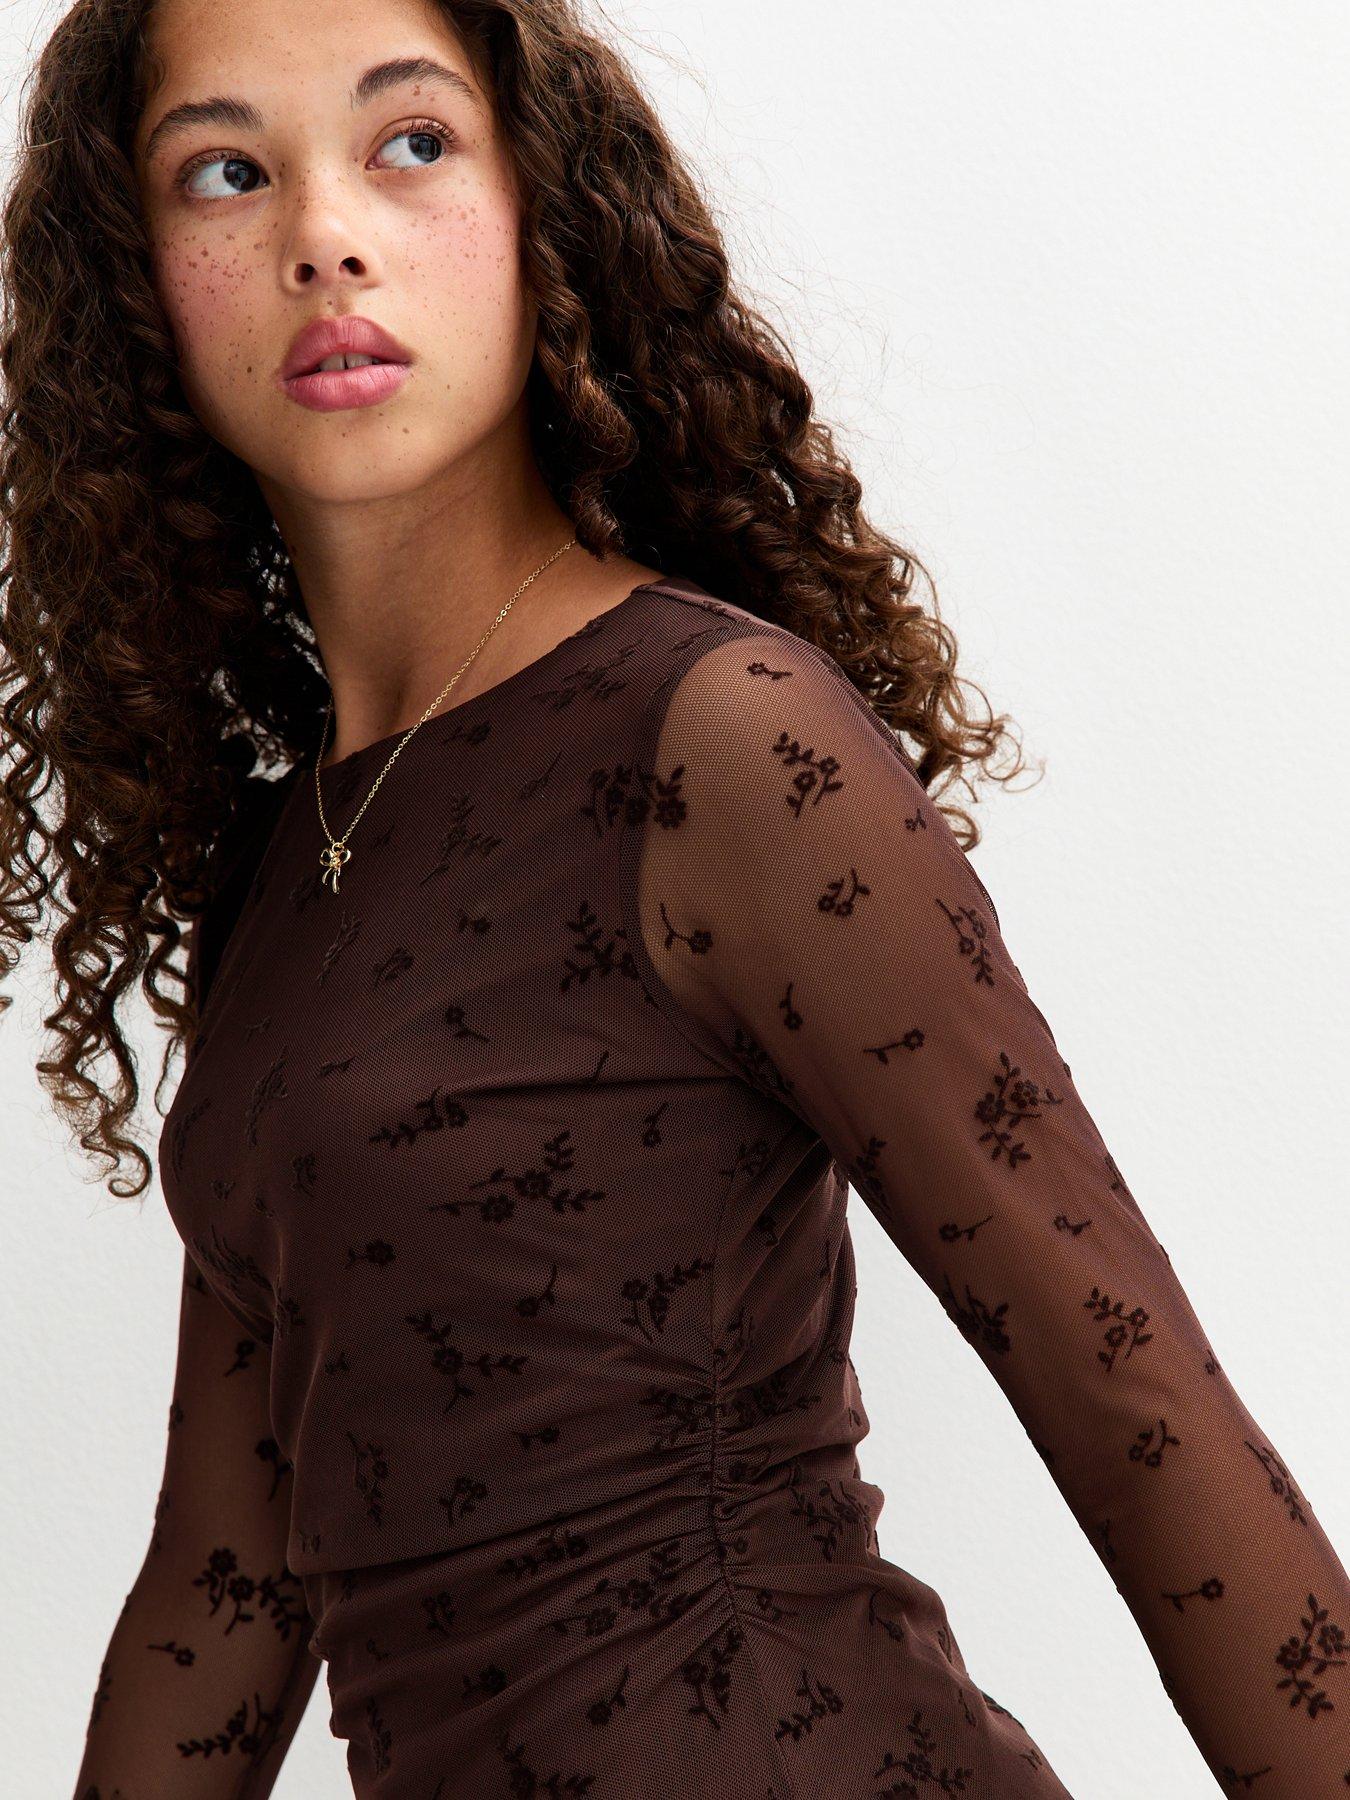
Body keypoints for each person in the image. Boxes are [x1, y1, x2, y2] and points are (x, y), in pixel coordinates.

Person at [0, 0, 1342, 1794]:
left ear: (542, 207)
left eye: (411, 143)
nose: (324, 233)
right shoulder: (288, 860)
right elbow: (225, 1588)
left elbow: (1127, 1397)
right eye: (224, 172)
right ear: (138, 281)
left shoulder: (716, 738)